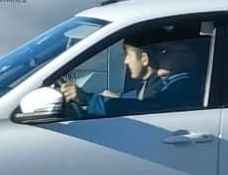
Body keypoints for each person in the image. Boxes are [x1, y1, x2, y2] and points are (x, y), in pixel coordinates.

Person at [58, 36, 203, 117]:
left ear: (144, 59)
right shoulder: (148, 85)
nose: (125, 61)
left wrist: (90, 100)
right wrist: (116, 99)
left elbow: (148, 110)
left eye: (128, 55)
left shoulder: (181, 85)